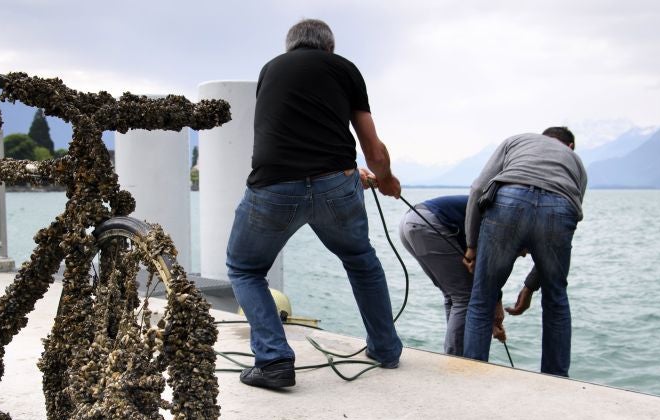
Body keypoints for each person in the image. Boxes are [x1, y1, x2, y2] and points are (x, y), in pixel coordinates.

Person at [226, 18, 403, 389]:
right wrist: (385, 181)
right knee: (362, 262)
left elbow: (287, 131)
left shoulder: (270, 69)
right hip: (336, 184)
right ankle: (386, 350)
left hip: (274, 186)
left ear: (291, 46)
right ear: (329, 48)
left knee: (245, 269)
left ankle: (273, 360)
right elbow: (374, 150)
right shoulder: (345, 69)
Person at [462, 127, 587, 376]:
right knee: (556, 300)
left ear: (543, 137)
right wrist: (531, 286)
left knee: (482, 298)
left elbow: (477, 189)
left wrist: (471, 246)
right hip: (561, 206)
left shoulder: (516, 140)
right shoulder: (576, 162)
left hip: (509, 199)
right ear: (569, 145)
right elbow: (570, 213)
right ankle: (556, 380)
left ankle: (472, 377)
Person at [399, 195, 533, 355]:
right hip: (430, 223)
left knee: (453, 295)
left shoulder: (507, 218)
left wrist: (494, 308)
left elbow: (483, 271)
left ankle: (453, 355)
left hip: (411, 221)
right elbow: (487, 268)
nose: (525, 255)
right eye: (528, 250)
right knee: (464, 297)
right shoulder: (508, 228)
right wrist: (496, 303)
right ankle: (456, 363)